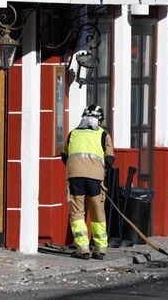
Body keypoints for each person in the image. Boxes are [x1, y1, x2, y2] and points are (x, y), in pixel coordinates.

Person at [61, 104, 115, 260]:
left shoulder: (73, 134)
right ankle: (100, 248)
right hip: (95, 178)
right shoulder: (103, 135)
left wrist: (77, 167)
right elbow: (110, 159)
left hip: (75, 176)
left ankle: (83, 248)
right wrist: (97, 168)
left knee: (77, 211)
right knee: (97, 211)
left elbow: (64, 155)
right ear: (99, 120)